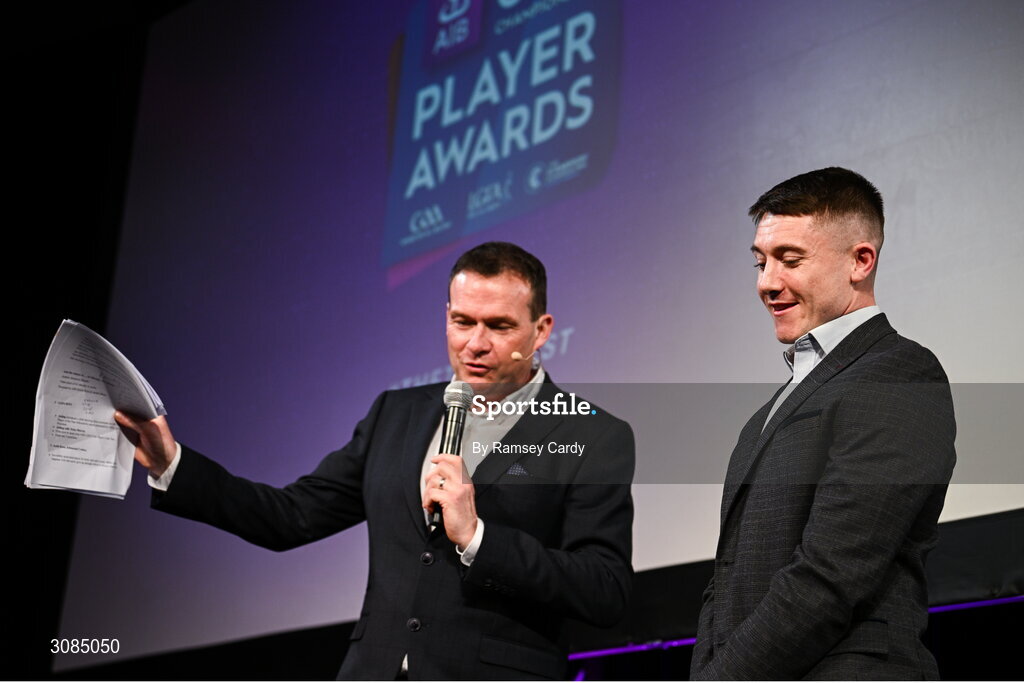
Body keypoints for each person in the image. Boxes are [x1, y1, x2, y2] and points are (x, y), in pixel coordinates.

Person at [115, 241, 635, 680]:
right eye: (462, 321)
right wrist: (173, 463)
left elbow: (604, 589)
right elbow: (289, 516)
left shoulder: (592, 434)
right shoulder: (397, 413)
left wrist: (479, 538)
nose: (475, 344)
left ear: (541, 331)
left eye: (499, 326)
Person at [690, 168, 956, 680]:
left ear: (861, 260)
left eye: (790, 260)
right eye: (760, 261)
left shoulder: (899, 372)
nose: (767, 282)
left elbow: (832, 575)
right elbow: (726, 583)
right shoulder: (768, 412)